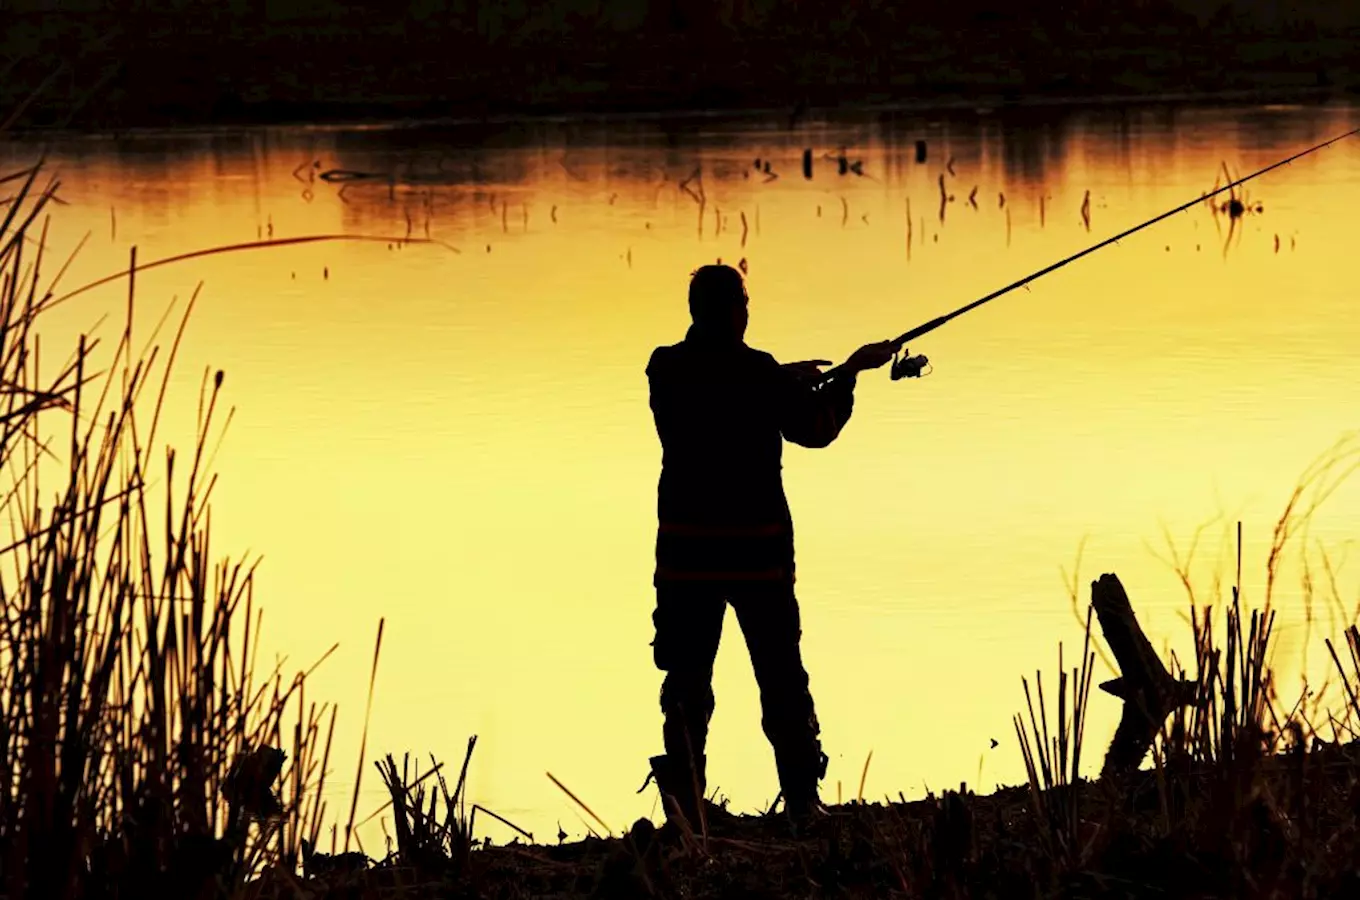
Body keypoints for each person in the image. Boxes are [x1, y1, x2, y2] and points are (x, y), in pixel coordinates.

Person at [644, 263, 895, 833]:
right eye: (745, 304)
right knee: (780, 675)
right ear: (736, 311)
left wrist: (785, 377)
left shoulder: (666, 369)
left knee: (686, 683)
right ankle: (802, 801)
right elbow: (817, 427)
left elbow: (720, 383)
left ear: (693, 311)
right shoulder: (759, 377)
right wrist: (849, 374)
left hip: (684, 558)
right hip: (757, 557)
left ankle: (685, 809)